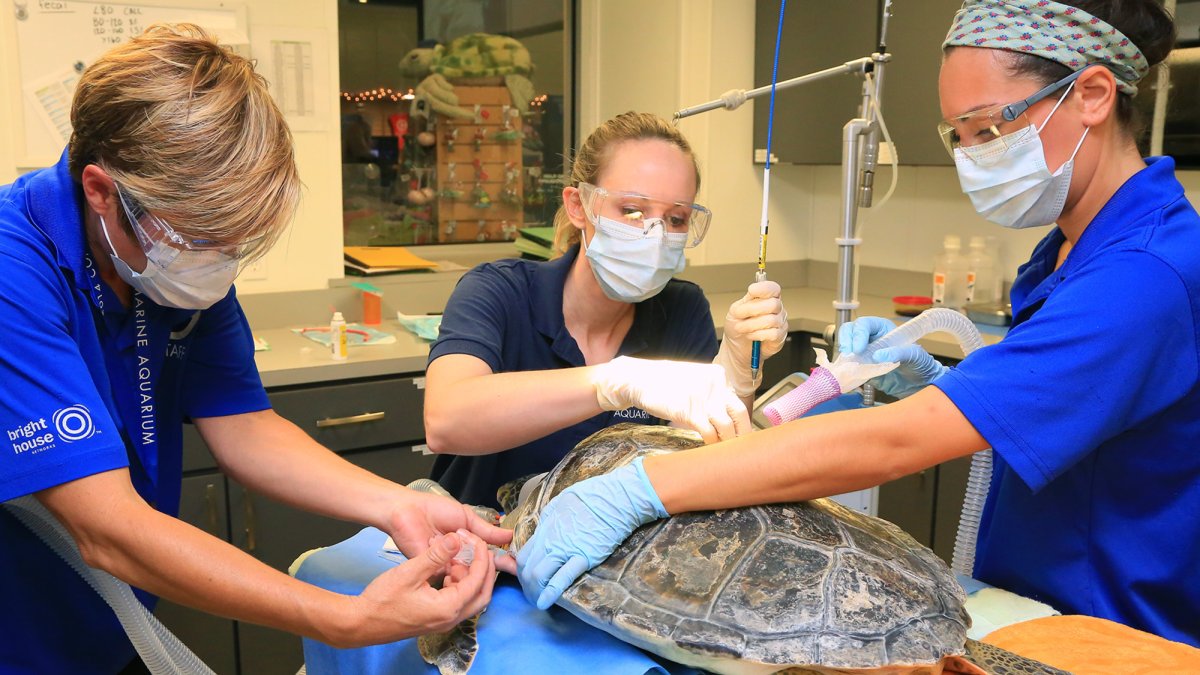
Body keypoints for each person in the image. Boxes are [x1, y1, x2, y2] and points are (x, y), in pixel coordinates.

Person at [517, 0, 1200, 648]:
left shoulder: (1144, 273)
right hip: (1034, 609)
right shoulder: (1075, 250)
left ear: (1092, 95)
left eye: (989, 128)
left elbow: (894, 443)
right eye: (957, 134)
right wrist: (949, 383)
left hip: (1111, 632)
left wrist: (643, 489)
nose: (973, 156)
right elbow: (1071, 412)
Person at [0, 25, 513, 674]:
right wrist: (344, 616)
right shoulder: (14, 270)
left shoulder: (160, 262)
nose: (220, 268)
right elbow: (105, 528)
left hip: (115, 627)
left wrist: (399, 503)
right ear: (102, 190)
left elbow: (245, 425)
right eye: (205, 240)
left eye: (237, 243)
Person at [423, 111, 789, 508]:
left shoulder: (682, 309)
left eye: (676, 218)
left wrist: (736, 369)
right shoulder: (499, 292)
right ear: (579, 206)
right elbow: (446, 422)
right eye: (632, 210)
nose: (656, 234)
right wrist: (613, 382)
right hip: (477, 548)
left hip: (609, 559)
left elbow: (699, 467)